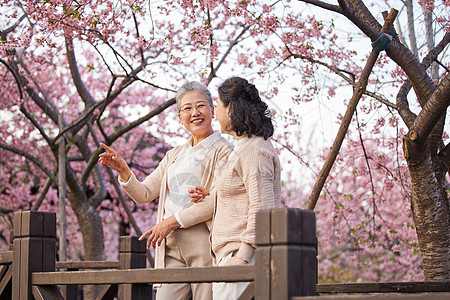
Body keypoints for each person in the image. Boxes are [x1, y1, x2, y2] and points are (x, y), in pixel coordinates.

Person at [98, 81, 233, 300]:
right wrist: (123, 170)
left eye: (201, 105)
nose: (195, 112)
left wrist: (169, 222)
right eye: (187, 108)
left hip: (204, 242)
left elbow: (217, 201)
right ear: (180, 118)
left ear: (212, 110)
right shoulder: (174, 154)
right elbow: (143, 194)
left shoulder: (224, 151)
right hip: (169, 246)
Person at [187, 76, 281, 300]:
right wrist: (215, 196)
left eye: (217, 104)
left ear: (230, 108)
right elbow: (244, 195)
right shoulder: (243, 148)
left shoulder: (255, 150)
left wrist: (242, 256)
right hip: (231, 256)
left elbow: (262, 207)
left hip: (242, 258)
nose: (214, 110)